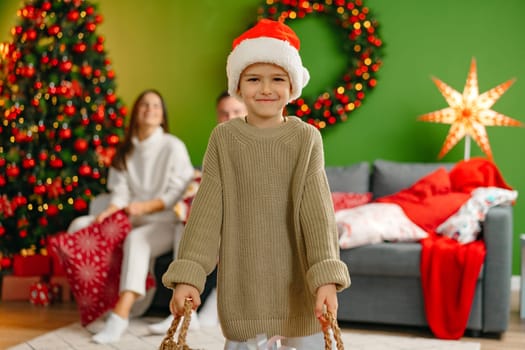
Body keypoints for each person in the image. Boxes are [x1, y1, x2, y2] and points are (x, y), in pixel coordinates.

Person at [162, 19, 350, 349]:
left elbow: (318, 217)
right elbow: (206, 214)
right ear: (238, 86)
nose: (265, 89)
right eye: (254, 79)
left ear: (292, 86)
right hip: (244, 288)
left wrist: (326, 279)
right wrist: (189, 275)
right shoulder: (225, 138)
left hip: (299, 286)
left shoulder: (305, 139)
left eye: (277, 79)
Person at [67, 89, 195, 344]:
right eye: (144, 105)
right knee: (79, 226)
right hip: (129, 216)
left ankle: (120, 315)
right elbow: (120, 192)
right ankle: (96, 303)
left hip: (164, 222)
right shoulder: (125, 150)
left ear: (162, 115)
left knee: (137, 240)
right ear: (136, 112)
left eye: (156, 105)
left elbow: (178, 191)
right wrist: (109, 212)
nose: (150, 109)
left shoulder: (172, 146)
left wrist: (145, 207)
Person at [147, 90, 247, 334]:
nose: (229, 117)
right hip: (219, 214)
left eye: (235, 112)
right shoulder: (218, 147)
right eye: (224, 113)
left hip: (245, 219)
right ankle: (185, 309)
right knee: (194, 226)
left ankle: (205, 308)